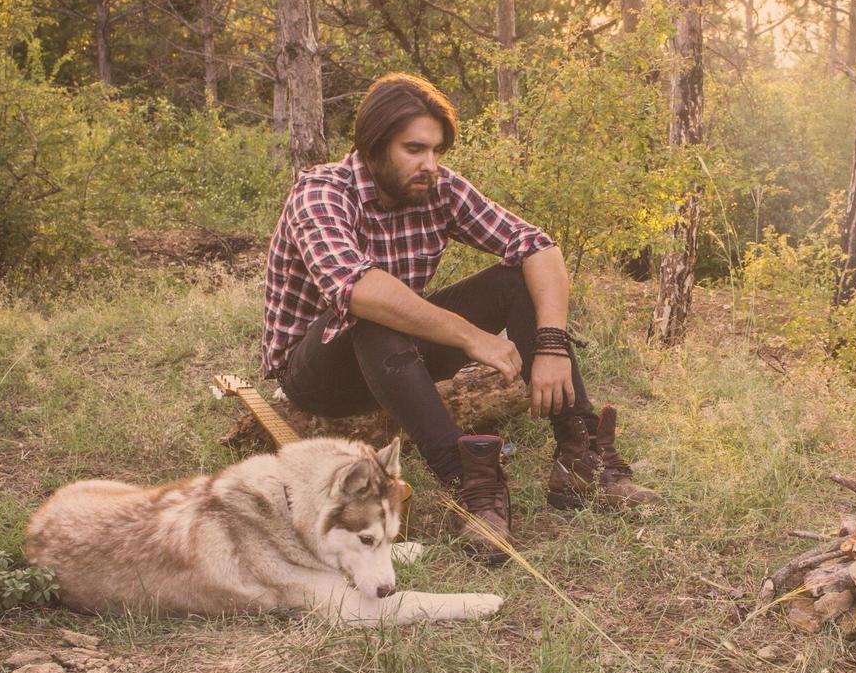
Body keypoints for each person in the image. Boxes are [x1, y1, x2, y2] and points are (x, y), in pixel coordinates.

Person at [261, 72, 659, 562]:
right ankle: (468, 481)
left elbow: (537, 245)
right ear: (373, 146)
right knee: (375, 309)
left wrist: (552, 343)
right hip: (318, 370)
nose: (430, 165)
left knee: (515, 278)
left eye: (436, 151)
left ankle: (580, 458)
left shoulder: (436, 188)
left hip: (397, 355)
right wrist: (473, 338)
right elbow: (358, 290)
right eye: (414, 149)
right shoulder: (321, 192)